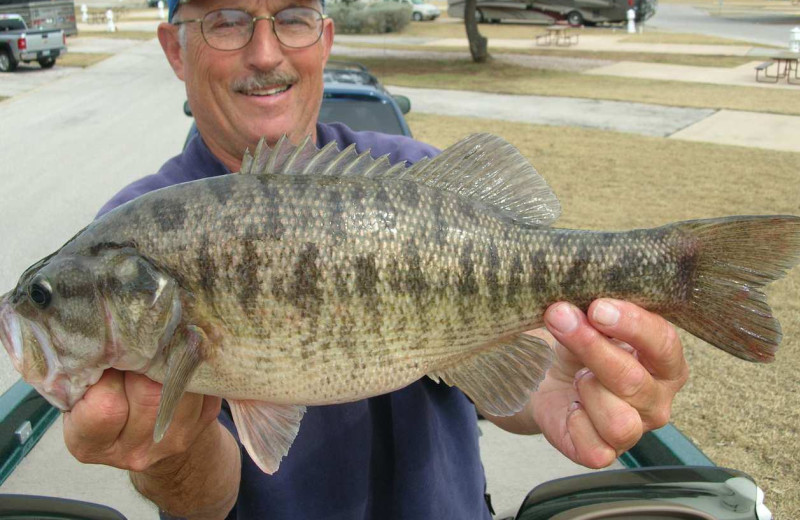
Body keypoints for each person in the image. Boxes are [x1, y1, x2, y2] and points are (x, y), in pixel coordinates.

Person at [62, 0, 690, 517]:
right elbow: (206, 498)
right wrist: (174, 452)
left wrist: (558, 382)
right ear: (175, 48)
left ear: (325, 37)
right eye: (226, 19)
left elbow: (508, 381)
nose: (265, 52)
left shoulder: (413, 177)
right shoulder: (133, 228)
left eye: (293, 15)